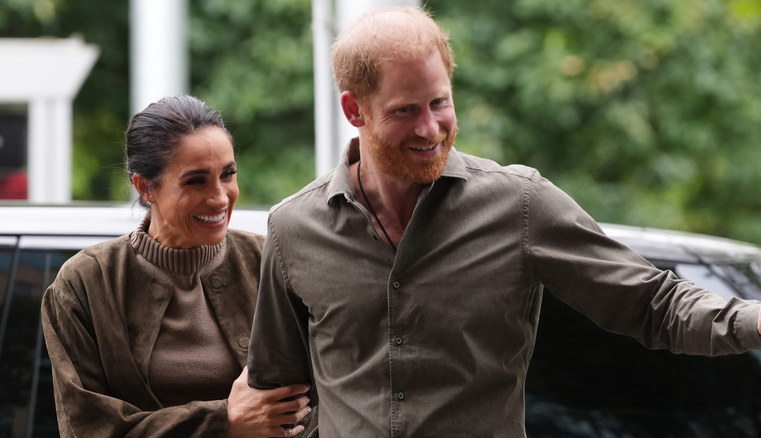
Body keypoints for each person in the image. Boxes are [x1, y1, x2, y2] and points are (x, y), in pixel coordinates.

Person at [245, 6, 761, 437]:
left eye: (440, 102)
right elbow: (278, 397)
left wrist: (752, 320)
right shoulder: (295, 228)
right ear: (354, 109)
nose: (430, 128)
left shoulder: (519, 206)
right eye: (405, 110)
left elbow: (651, 303)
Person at [41, 95, 312, 438]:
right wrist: (225, 421)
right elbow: (90, 428)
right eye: (196, 181)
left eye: (228, 174)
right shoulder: (86, 283)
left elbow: (321, 399)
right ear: (145, 187)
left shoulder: (271, 261)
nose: (219, 197)